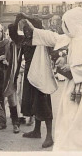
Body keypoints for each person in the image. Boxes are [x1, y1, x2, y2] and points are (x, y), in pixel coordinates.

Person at [24, 7, 82, 151]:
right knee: (67, 116)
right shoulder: (73, 36)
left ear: (73, 23)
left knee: (79, 119)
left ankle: (79, 148)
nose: (64, 27)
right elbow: (54, 38)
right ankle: (68, 147)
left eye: (66, 23)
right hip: (72, 83)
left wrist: (72, 69)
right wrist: (34, 31)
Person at [8, 14, 54, 148]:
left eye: (29, 29)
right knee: (34, 104)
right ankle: (37, 131)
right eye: (25, 29)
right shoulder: (24, 40)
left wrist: (27, 17)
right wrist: (18, 19)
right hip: (29, 75)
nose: (26, 31)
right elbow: (12, 32)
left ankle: (49, 136)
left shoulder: (41, 40)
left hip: (40, 75)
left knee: (44, 104)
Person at [0, 22, 20, 133]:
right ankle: (2, 121)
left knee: (11, 100)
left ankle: (15, 123)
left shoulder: (9, 44)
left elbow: (15, 58)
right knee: (0, 100)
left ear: (2, 32)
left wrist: (8, 62)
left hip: (7, 75)